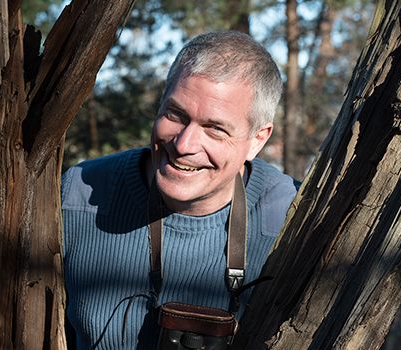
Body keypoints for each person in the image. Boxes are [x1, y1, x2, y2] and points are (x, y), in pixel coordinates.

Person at [61, 31, 297, 349]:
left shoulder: (291, 217)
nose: (184, 145)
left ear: (258, 139)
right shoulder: (80, 194)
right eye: (176, 114)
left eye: (215, 129)